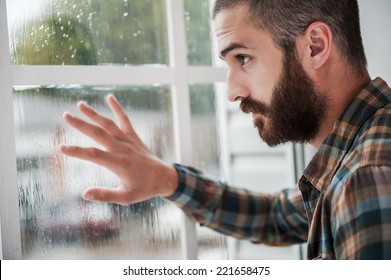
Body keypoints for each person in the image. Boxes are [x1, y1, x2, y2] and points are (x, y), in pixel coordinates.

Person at [60, 0, 391, 259]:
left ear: (315, 46)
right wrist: (165, 179)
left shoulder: (367, 178)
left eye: (243, 58)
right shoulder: (354, 153)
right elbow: (277, 216)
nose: (232, 91)